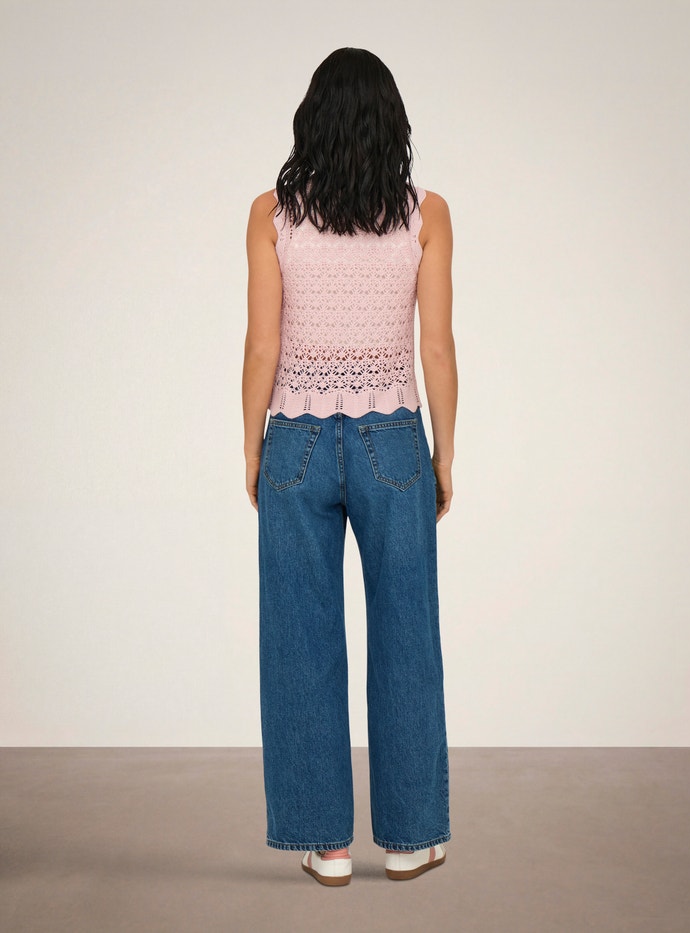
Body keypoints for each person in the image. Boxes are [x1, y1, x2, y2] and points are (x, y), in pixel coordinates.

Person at [242, 47, 457, 886]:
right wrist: (445, 451)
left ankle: (324, 843)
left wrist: (252, 444)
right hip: (394, 439)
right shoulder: (426, 215)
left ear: (312, 122)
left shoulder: (271, 214)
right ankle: (408, 838)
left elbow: (263, 344)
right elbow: (435, 347)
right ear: (391, 125)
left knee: (299, 638)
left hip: (294, 437)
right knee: (408, 633)